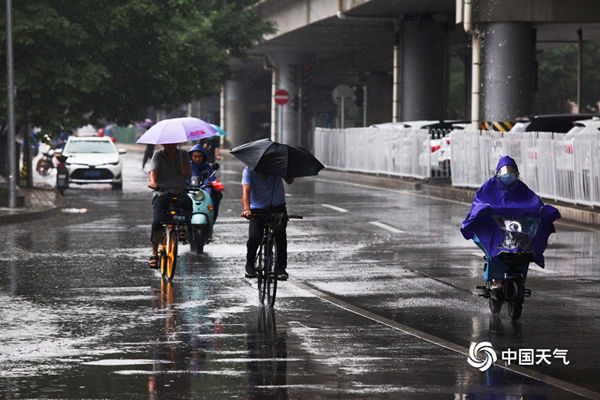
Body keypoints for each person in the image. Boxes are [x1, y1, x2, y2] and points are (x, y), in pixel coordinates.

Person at [461, 156, 560, 291]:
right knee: (493, 245)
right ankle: (496, 278)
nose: (508, 176)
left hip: (518, 232)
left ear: (517, 174)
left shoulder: (521, 188)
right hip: (497, 230)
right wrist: (484, 210)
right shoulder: (488, 188)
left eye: (512, 173)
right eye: (506, 173)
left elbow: (534, 202)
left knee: (527, 246)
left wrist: (542, 210)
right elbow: (479, 202)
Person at [240, 168, 293, 280]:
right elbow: (246, 190)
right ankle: (250, 265)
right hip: (257, 210)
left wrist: (286, 170)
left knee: (280, 237)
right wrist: (247, 209)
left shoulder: (277, 167)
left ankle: (280, 268)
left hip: (277, 208)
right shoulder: (248, 171)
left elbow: (290, 181)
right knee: (254, 238)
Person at [147, 143, 192, 268]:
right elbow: (153, 171)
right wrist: (153, 182)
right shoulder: (158, 155)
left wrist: (185, 171)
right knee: (157, 223)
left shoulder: (184, 155)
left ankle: (183, 228)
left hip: (180, 191)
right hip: (162, 192)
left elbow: (189, 174)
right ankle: (155, 253)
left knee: (188, 204)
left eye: (173, 143)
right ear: (163, 144)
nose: (170, 146)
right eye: (167, 144)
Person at [188, 144, 223, 221]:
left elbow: (211, 178)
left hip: (204, 191)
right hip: (189, 190)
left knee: (217, 195)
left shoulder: (207, 167)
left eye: (199, 156)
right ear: (191, 156)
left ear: (203, 156)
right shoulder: (187, 166)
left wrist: (213, 184)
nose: (197, 159)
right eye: (195, 156)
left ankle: (211, 219)